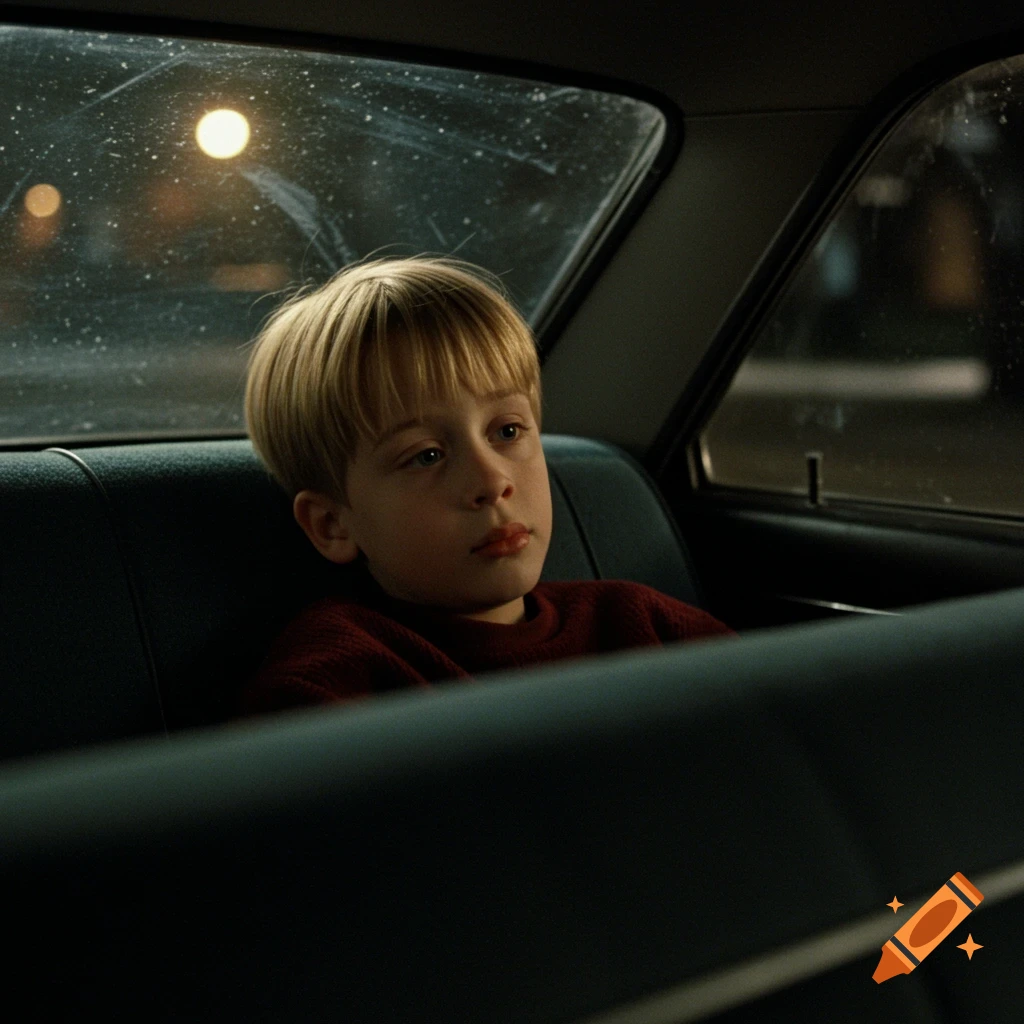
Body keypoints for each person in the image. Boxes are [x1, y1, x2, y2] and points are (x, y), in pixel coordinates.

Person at [241, 255, 734, 715]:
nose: (492, 480)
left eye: (507, 431)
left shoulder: (645, 626)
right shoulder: (337, 684)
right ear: (332, 525)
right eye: (426, 456)